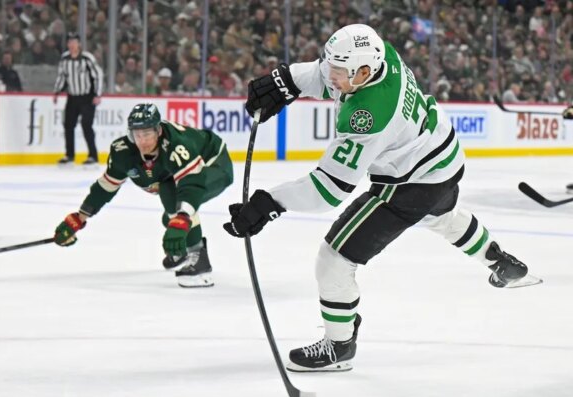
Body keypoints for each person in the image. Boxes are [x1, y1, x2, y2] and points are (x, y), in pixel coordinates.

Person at [224, 24, 541, 372]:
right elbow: (325, 72)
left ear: (363, 72)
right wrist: (286, 80)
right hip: (444, 158)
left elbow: (328, 189)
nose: (330, 75)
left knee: (334, 259)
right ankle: (500, 262)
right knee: (440, 216)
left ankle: (339, 345)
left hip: (412, 182)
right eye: (331, 65)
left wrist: (269, 203)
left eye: (339, 71)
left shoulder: (368, 115)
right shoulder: (379, 53)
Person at [54, 103, 234, 288]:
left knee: (177, 204)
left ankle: (199, 259)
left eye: (147, 134)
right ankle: (182, 251)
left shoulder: (176, 144)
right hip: (182, 177)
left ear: (158, 131)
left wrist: (182, 218)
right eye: (137, 134)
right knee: (170, 215)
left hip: (214, 163)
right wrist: (79, 218)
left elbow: (191, 185)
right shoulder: (123, 151)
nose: (142, 141)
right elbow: (106, 186)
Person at [53, 32, 103, 166]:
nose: (72, 45)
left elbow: (97, 75)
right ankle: (69, 155)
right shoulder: (65, 59)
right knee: (68, 125)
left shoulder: (87, 58)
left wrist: (97, 94)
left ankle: (93, 155)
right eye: (70, 42)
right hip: (72, 97)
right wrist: (57, 91)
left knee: (86, 125)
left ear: (79, 44)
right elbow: (62, 76)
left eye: (74, 42)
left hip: (87, 97)